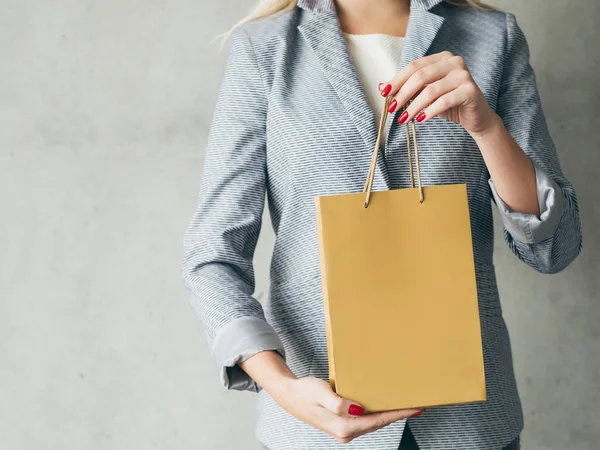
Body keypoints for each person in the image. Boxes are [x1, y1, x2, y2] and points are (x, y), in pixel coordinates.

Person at [182, 0, 583, 448]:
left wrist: (487, 128)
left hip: (471, 426)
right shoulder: (266, 46)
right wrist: (282, 387)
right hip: (318, 425)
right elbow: (212, 256)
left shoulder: (493, 36)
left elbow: (556, 247)